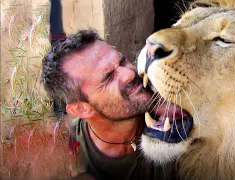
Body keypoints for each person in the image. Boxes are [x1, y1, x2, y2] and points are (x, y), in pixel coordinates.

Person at [41, 29, 177, 180]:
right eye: (109, 77)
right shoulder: (68, 161)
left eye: (123, 61)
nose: (129, 74)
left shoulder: (173, 102)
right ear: (82, 109)